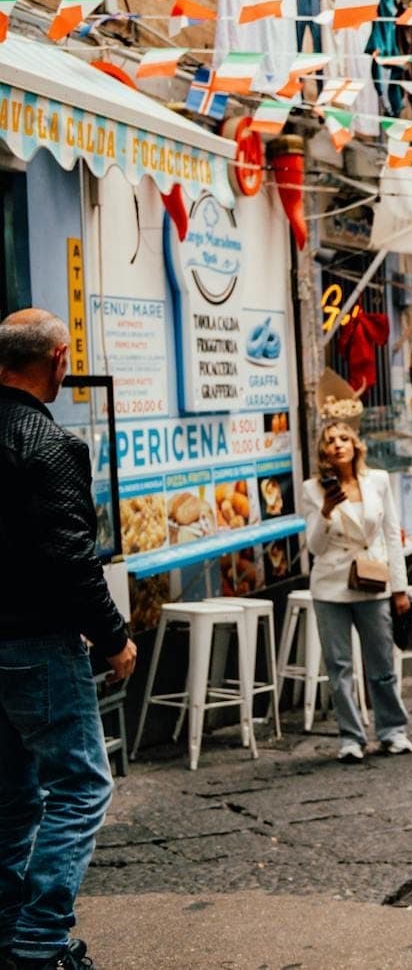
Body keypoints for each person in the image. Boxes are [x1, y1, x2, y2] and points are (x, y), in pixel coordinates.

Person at [0, 309, 135, 970]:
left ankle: (7, 929)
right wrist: (114, 637)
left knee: (12, 793)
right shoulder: (49, 444)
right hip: (38, 643)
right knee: (80, 786)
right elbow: (70, 554)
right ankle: (39, 938)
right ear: (58, 360)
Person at [301, 422, 412, 762]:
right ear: (323, 451)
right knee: (339, 666)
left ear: (356, 445)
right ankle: (351, 737)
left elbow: (392, 535)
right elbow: (315, 547)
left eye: (344, 439)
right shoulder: (312, 489)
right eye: (330, 440)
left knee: (381, 663)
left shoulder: (377, 481)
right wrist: (325, 511)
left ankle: (393, 731)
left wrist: (400, 588)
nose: (338, 445)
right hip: (331, 583)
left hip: (371, 579)